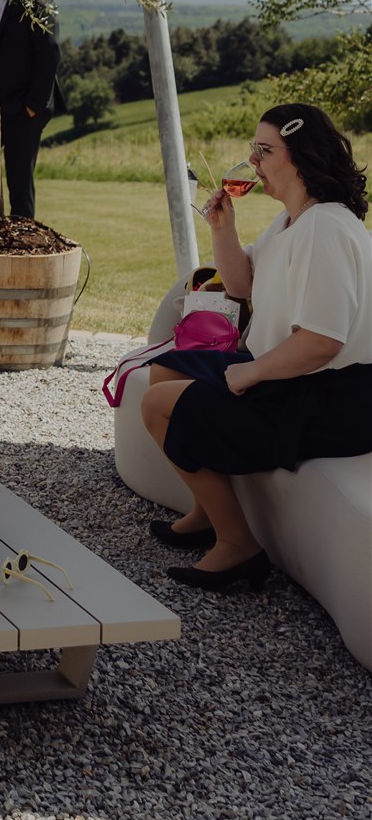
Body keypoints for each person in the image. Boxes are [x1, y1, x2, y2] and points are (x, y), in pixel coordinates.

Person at [140, 106, 372, 593]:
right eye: (254, 150)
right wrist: (223, 230)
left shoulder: (325, 228)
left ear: (302, 157)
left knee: (157, 404)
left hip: (327, 399)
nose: (252, 161)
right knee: (165, 371)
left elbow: (321, 342)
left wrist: (248, 375)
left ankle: (238, 544)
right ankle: (208, 509)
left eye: (264, 152)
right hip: (291, 376)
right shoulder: (295, 219)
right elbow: (243, 284)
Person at [0, 0, 64, 220]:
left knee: (19, 181)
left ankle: (23, 236)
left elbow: (50, 52)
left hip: (23, 106)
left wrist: (33, 105)